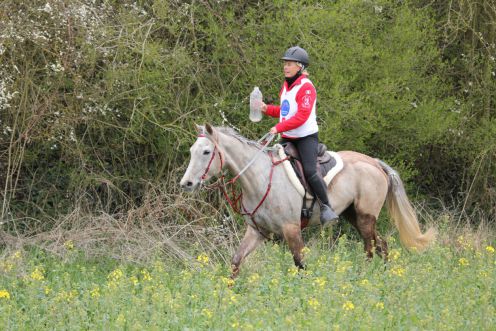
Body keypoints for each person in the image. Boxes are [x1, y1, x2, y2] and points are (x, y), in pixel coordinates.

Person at [261, 46, 339, 226]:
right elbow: (286, 112)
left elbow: (302, 116)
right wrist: (267, 109)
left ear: (300, 67)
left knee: (310, 171)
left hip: (306, 138)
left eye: (289, 64)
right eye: (285, 64)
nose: (285, 67)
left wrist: (278, 127)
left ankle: (326, 207)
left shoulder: (307, 88)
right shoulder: (286, 87)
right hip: (288, 136)